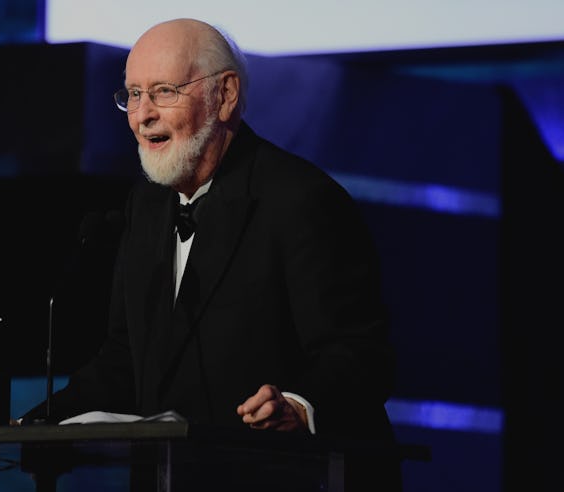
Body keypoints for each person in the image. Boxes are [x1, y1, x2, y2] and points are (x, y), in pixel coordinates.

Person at [20, 18, 400, 490]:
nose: (142, 115)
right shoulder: (146, 207)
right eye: (133, 95)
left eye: (163, 91)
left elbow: (361, 354)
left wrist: (298, 406)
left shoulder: (300, 200)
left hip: (284, 478)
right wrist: (41, 421)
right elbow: (125, 361)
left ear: (225, 95)